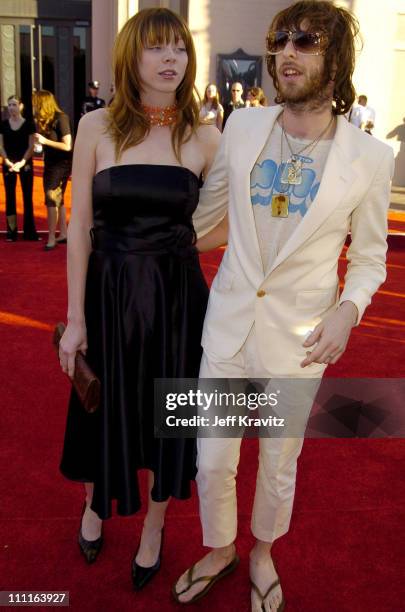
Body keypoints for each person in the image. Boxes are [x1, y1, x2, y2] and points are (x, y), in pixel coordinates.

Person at [173, 1, 394, 610]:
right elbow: (209, 220)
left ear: (335, 60)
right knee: (212, 463)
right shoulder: (242, 128)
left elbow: (371, 257)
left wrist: (348, 311)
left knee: (277, 465)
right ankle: (220, 549)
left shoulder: (371, 159)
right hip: (227, 328)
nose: (287, 52)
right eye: (280, 41)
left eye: (305, 41)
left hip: (298, 342)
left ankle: (263, 551)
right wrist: (143, 240)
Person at [58, 7, 220, 591]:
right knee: (101, 405)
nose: (171, 58)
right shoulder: (97, 128)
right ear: (132, 57)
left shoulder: (205, 136)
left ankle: (154, 528)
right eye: (156, 48)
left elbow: (225, 224)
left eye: (178, 47)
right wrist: (75, 318)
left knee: (168, 420)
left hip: (179, 301)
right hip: (108, 294)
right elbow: (78, 228)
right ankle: (95, 506)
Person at [32, 90, 73, 250]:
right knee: (59, 199)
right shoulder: (44, 121)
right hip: (50, 163)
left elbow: (67, 145)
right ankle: (63, 233)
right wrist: (40, 146)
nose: (35, 107)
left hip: (61, 164)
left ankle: (51, 237)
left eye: (37, 104)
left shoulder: (61, 118)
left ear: (44, 104)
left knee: (51, 198)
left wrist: (44, 141)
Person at [0, 95, 39, 241]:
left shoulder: (29, 124)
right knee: (10, 197)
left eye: (14, 105)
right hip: (8, 164)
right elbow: (0, 145)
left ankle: (29, 232)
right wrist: (7, 161)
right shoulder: (3, 124)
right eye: (9, 105)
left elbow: (31, 146)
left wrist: (22, 162)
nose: (11, 108)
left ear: (21, 106)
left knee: (27, 196)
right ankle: (11, 231)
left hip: (25, 162)